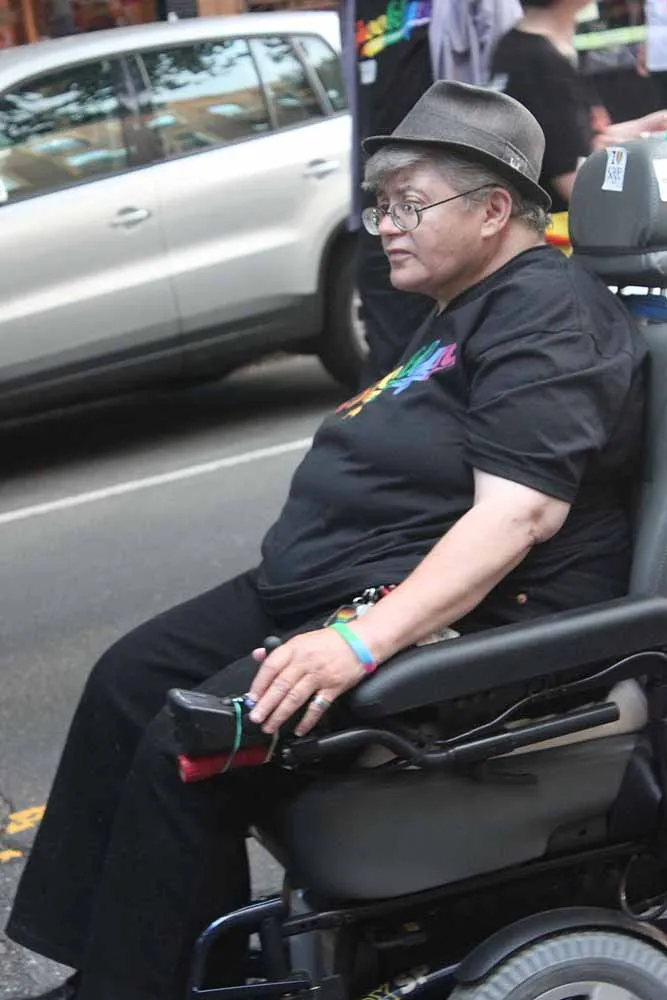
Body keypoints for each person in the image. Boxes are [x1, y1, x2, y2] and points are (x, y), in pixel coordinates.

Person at [7, 81, 647, 1000]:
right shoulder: (465, 303)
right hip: (331, 581)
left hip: (466, 626)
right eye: (380, 204)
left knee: (194, 738)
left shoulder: (548, 312)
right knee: (125, 681)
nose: (385, 226)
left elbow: (517, 516)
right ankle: (119, 968)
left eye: (408, 203)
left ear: (492, 210)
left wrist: (358, 642)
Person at [342, 0, 521, 384]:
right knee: (389, 344)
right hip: (381, 191)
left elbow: (511, 63)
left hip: (445, 196)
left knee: (447, 341)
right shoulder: (355, 7)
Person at [491, 0, 667, 212]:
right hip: (561, 221)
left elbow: (574, 142)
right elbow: (573, 182)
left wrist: (645, 127)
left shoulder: (527, 47)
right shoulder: (539, 63)